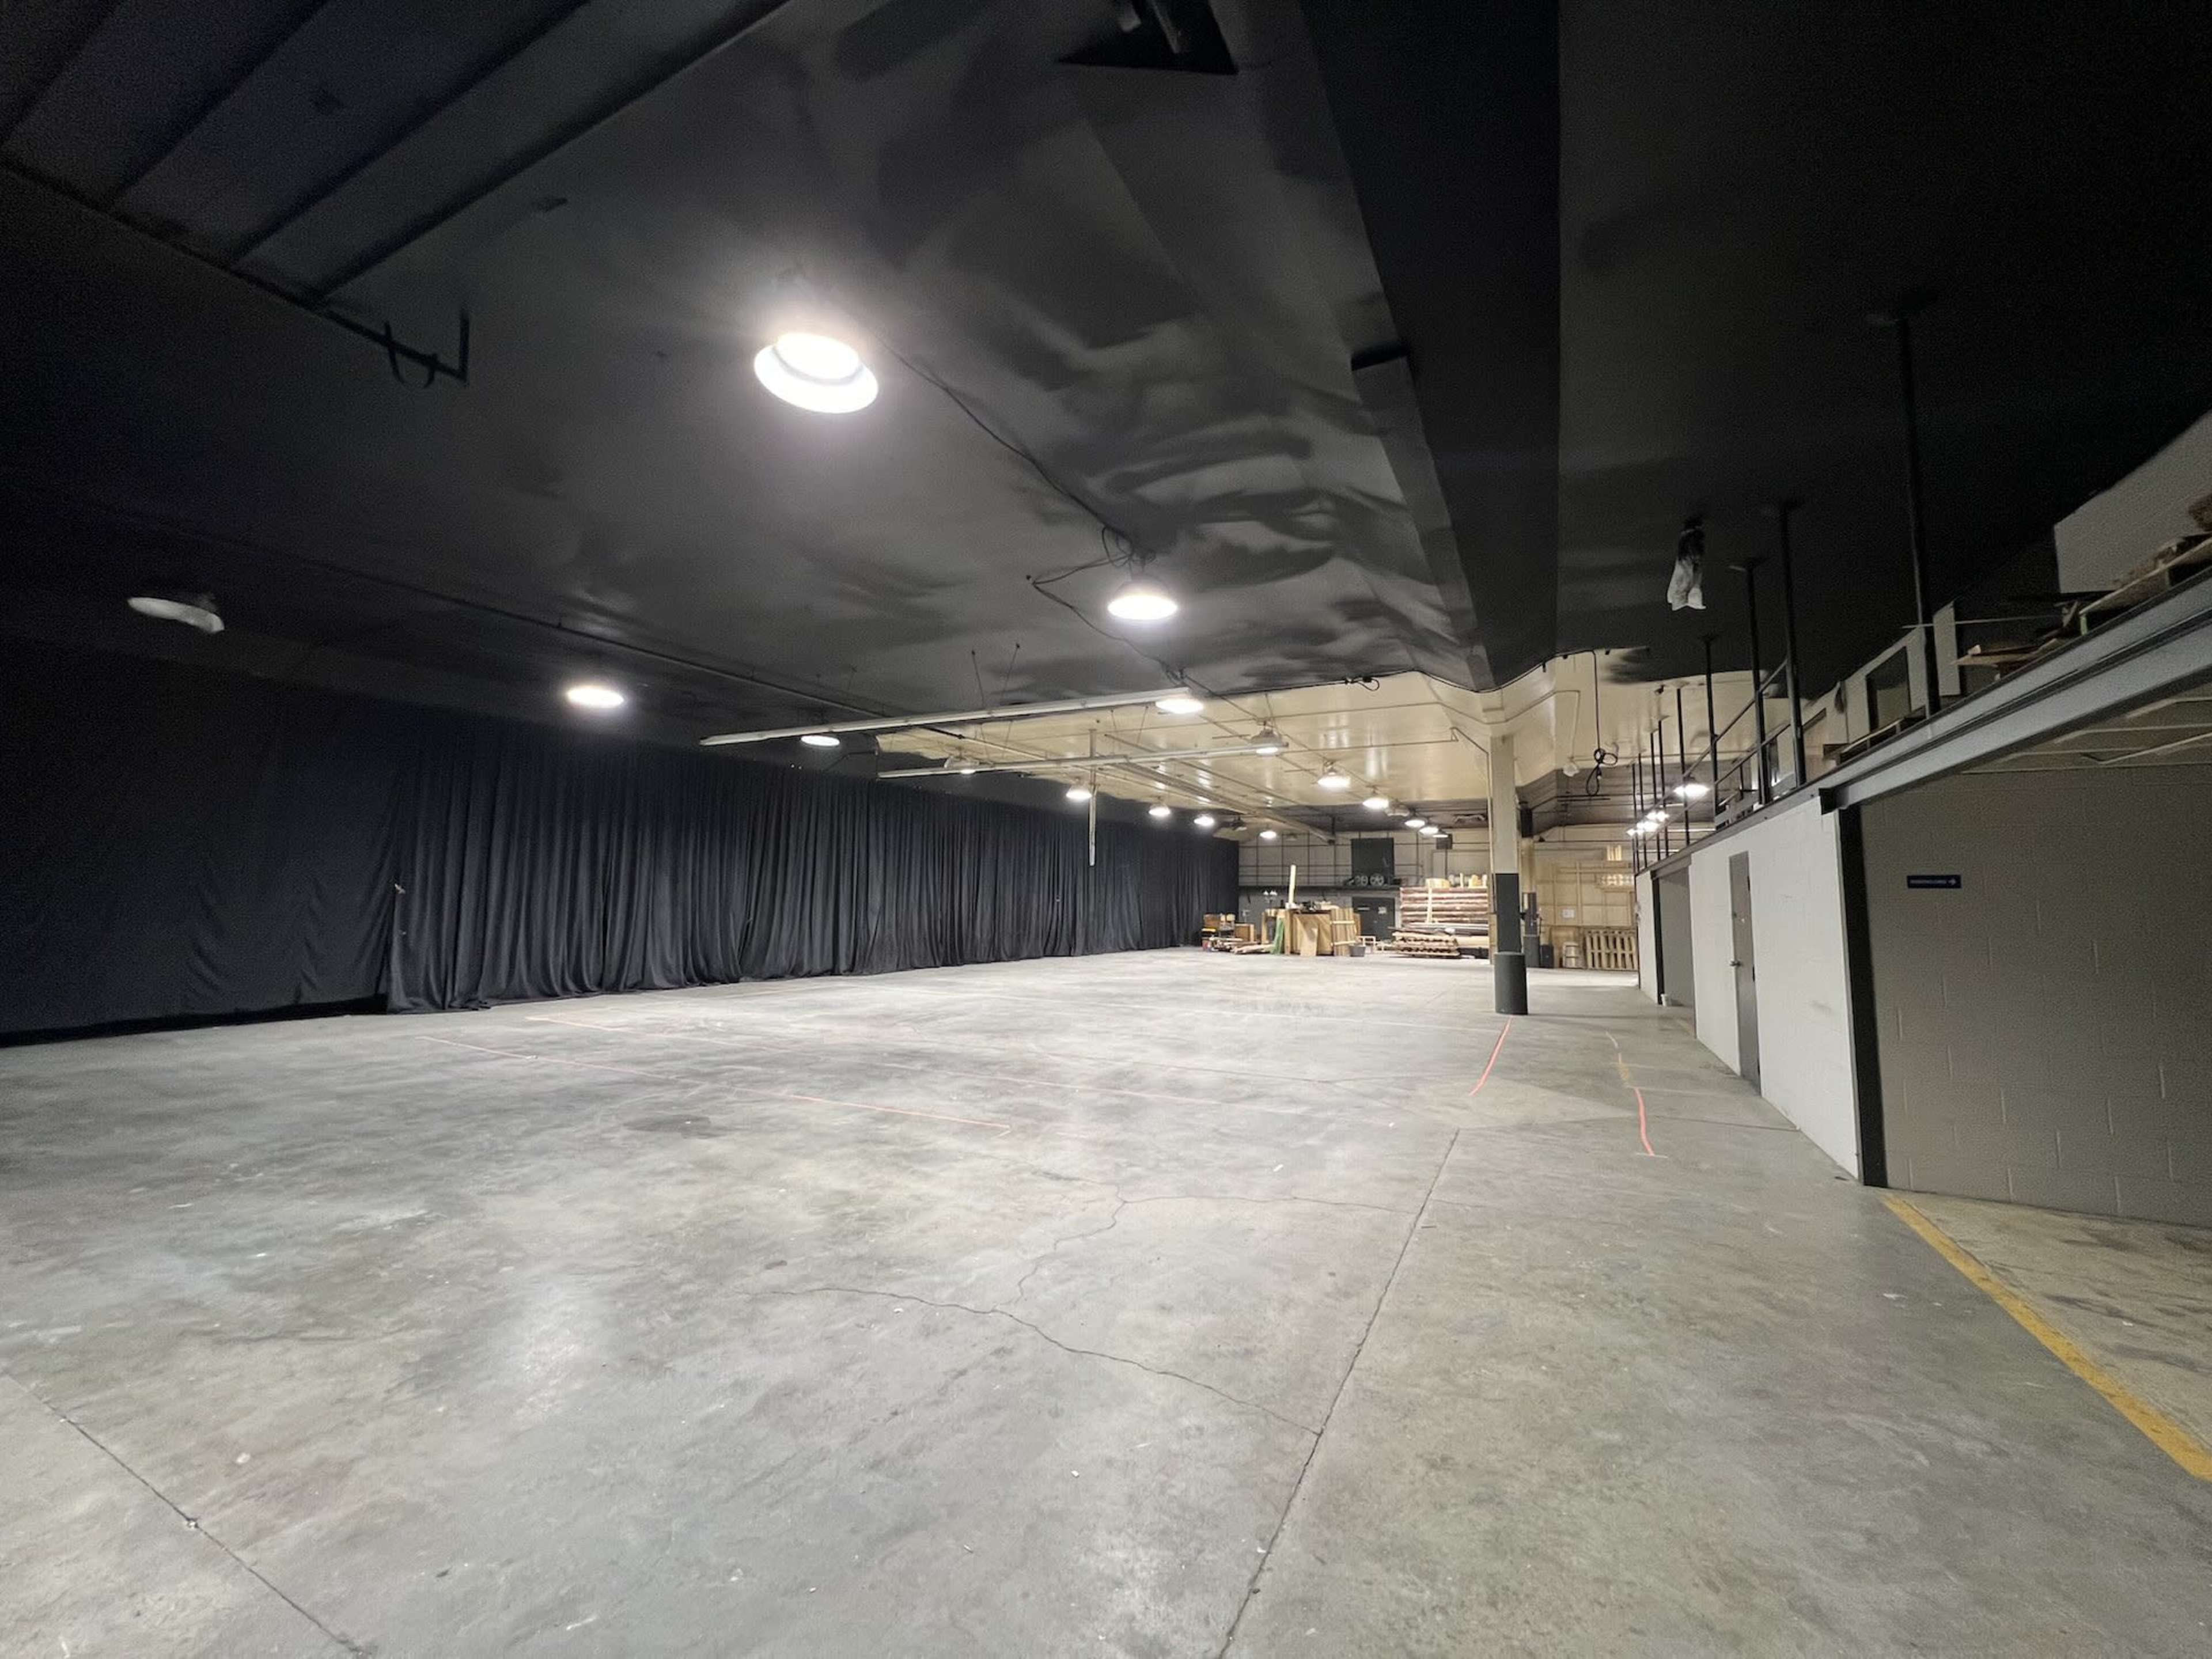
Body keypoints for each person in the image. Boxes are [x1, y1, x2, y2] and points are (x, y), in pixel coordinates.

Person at [1667, 513, 1706, 611]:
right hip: (1688, 565)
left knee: (1689, 552)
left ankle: (1691, 531)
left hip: (1687, 565)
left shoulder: (1675, 594)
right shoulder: (1674, 595)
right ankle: (1691, 531)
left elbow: (1693, 580)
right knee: (1691, 552)